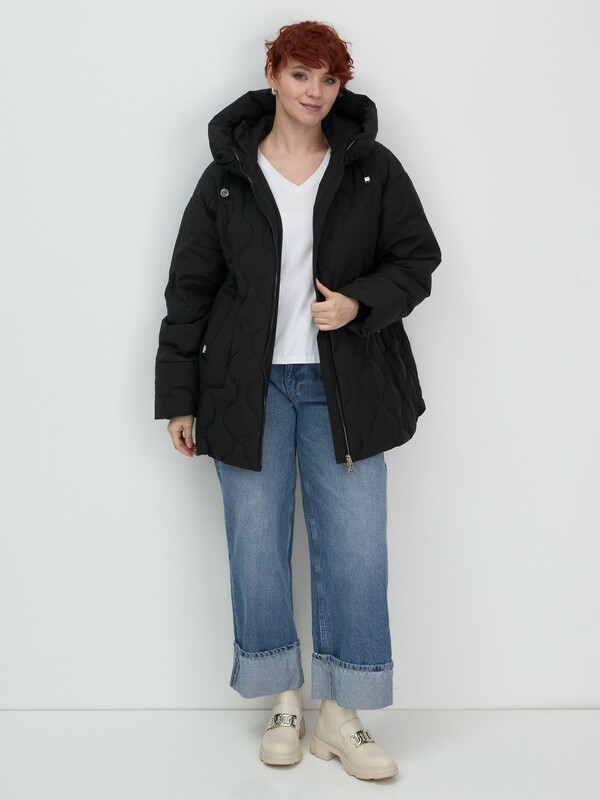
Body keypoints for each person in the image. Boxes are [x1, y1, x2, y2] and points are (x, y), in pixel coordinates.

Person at [154, 20, 441, 781]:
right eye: (301, 75)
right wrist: (179, 398)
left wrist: (358, 303)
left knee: (356, 550)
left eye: (329, 78)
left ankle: (339, 715)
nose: (315, 92)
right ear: (274, 75)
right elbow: (189, 291)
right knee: (255, 546)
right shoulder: (226, 176)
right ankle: (283, 698)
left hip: (346, 386)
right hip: (245, 388)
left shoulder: (371, 168)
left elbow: (417, 258)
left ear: (341, 86)